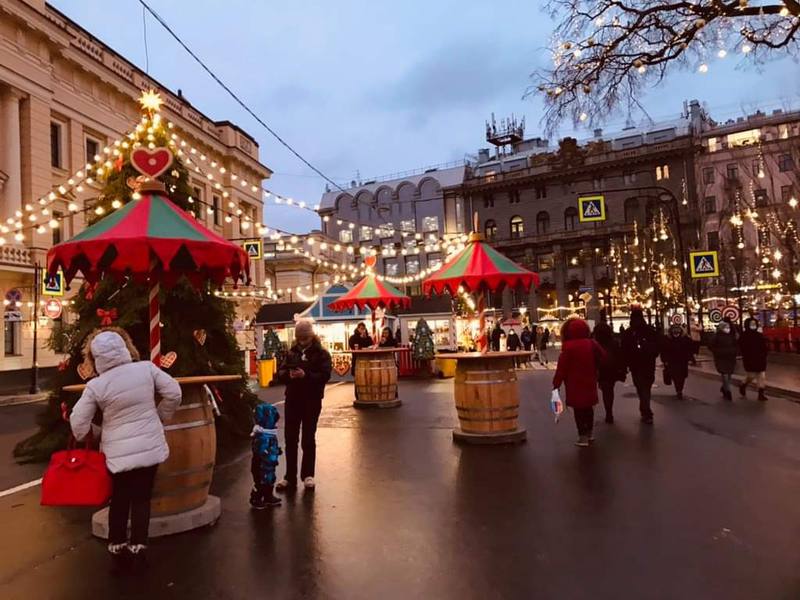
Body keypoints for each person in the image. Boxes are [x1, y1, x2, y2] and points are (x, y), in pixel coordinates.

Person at [70, 328, 181, 574]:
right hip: (149, 446)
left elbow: (78, 425)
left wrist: (97, 433)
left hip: (116, 452)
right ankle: (140, 548)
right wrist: (160, 417)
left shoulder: (96, 386)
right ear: (125, 348)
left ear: (95, 357)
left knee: (119, 499)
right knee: (142, 498)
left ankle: (117, 547)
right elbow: (174, 392)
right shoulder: (146, 369)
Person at [276, 320, 332, 491]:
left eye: (305, 338)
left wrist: (306, 374)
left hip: (312, 400)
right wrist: (289, 375)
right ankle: (289, 477)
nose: (302, 341)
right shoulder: (291, 352)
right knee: (290, 439)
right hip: (292, 399)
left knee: (308, 438)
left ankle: (308, 475)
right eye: (299, 338)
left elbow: (325, 375)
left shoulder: (321, 354)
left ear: (311, 336)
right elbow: (280, 373)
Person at [553, 318, 606, 447]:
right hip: (590, 380)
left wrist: (556, 384)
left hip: (574, 383)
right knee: (589, 407)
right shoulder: (591, 343)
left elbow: (562, 368)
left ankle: (582, 436)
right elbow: (603, 356)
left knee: (579, 410)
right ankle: (590, 433)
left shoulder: (568, 347)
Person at [621, 308, 660, 424]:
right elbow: (657, 346)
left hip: (636, 365)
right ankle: (645, 409)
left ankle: (645, 410)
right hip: (648, 363)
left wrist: (625, 364)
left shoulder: (629, 332)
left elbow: (624, 350)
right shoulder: (649, 330)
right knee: (646, 387)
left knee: (640, 387)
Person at [250, 403, 282, 509]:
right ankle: (256, 498)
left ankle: (268, 496)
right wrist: (267, 453)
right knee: (260, 481)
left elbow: (272, 446)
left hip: (269, 464)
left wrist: (276, 451)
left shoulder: (271, 434)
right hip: (261, 465)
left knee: (270, 479)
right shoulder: (261, 436)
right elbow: (258, 450)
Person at [592, 321, 625, 423]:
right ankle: (609, 411)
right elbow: (620, 356)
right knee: (609, 391)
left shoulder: (595, 343)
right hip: (611, 369)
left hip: (600, 369)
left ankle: (605, 411)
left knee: (604, 390)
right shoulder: (613, 342)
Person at [660, 325, 694, 400]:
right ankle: (678, 390)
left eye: (677, 332)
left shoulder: (685, 339)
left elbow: (690, 349)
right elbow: (663, 350)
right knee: (675, 376)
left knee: (682, 377)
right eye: (674, 332)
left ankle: (679, 389)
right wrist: (665, 360)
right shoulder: (667, 339)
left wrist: (690, 358)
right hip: (672, 361)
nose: (676, 333)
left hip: (682, 361)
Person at [739, 318, 768, 401]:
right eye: (751, 324)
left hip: (760, 358)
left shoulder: (759, 335)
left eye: (754, 324)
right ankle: (743, 384)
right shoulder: (744, 336)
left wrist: (764, 354)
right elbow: (742, 347)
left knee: (761, 376)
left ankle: (761, 394)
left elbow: (764, 347)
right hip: (750, 359)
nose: (753, 326)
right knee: (751, 376)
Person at [709, 321, 738, 401]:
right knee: (724, 374)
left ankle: (724, 388)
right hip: (721, 358)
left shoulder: (731, 336)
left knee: (728, 375)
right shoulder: (716, 337)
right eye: (726, 327)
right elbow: (711, 346)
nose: (727, 329)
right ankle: (728, 391)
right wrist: (717, 352)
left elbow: (736, 345)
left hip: (730, 357)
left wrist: (734, 351)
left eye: (728, 327)